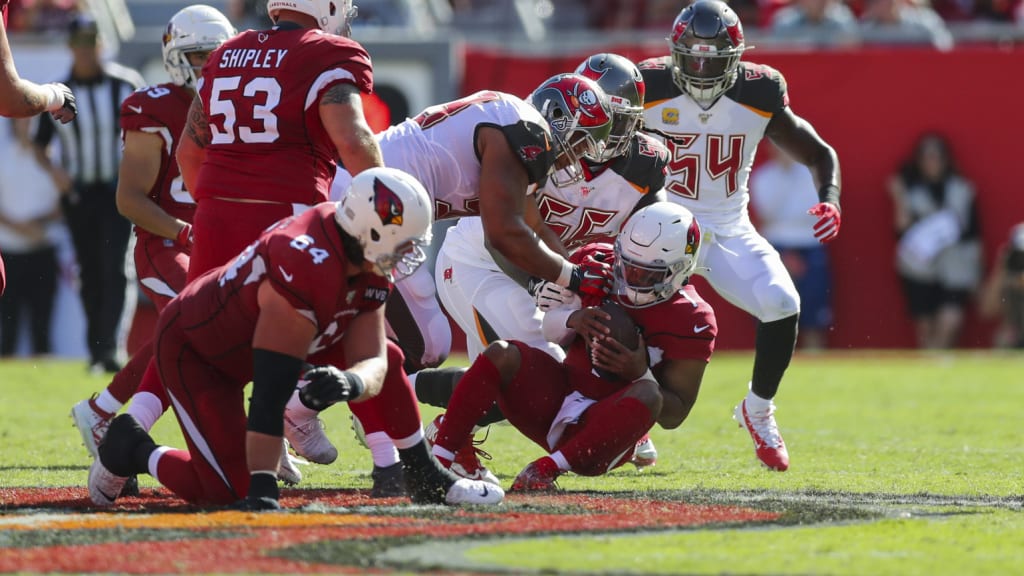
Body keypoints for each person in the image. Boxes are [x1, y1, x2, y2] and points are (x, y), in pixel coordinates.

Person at [93, 167, 504, 509]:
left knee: (393, 357)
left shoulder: (358, 250)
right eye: (404, 243)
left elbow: (375, 358)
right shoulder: (303, 263)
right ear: (372, 231)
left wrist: (352, 382)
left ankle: (424, 474)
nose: (409, 254)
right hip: (200, 351)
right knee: (224, 493)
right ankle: (131, 447)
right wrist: (262, 489)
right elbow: (271, 389)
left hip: (264, 337)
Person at [306, 73, 616, 484]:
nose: (576, 157)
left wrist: (577, 286)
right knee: (418, 340)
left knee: (412, 339)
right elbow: (504, 234)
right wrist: (573, 278)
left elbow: (533, 227)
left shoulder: (514, 122)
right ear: (558, 118)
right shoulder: (522, 129)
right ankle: (303, 408)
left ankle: (331, 409)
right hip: (368, 203)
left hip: (377, 206)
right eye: (579, 141)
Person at [419, 53, 668, 483]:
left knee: (543, 368)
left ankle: (601, 404)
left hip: (560, 271)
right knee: (532, 369)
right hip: (482, 261)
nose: (596, 133)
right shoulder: (533, 142)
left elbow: (651, 233)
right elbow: (503, 236)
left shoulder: (644, 165)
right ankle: (411, 411)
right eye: (591, 117)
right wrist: (539, 283)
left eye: (609, 119)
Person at [638, 0, 842, 472]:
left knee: (782, 303)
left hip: (728, 226)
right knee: (627, 315)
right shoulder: (647, 86)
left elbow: (818, 152)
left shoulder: (760, 90)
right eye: (693, 55)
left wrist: (831, 197)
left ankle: (757, 408)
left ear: (736, 57)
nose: (703, 68)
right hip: (660, 222)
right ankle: (631, 420)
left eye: (714, 57)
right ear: (674, 53)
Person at [430, 202, 716, 490]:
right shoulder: (596, 262)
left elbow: (675, 415)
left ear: (680, 269)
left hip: (603, 432)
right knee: (504, 353)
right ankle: (438, 459)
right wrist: (573, 320)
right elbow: (550, 331)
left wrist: (639, 371)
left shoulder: (692, 318)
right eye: (627, 266)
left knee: (648, 393)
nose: (631, 281)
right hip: (559, 397)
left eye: (647, 275)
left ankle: (544, 470)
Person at [69, 5, 239, 485]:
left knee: (207, 329)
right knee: (203, 322)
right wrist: (186, 233)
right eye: (199, 54)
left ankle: (103, 409)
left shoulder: (236, 100)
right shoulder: (153, 105)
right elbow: (129, 199)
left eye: (217, 54)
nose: (208, 64)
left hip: (218, 242)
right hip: (167, 243)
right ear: (174, 55)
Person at [175, 0, 381, 282]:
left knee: (211, 323)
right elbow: (352, 142)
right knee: (294, 322)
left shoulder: (224, 53)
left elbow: (188, 153)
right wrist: (387, 204)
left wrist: (214, 206)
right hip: (287, 219)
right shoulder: (328, 52)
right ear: (329, 7)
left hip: (214, 218)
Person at [31, 13, 145, 373]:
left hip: (116, 191)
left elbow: (146, 134)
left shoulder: (125, 85)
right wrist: (57, 175)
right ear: (70, 47)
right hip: (79, 194)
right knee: (90, 271)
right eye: (79, 44)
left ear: (100, 44)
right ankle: (96, 348)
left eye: (90, 43)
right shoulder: (59, 93)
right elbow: (40, 144)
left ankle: (109, 348)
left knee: (114, 269)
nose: (85, 51)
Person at [890, 132, 981, 349]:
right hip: (919, 268)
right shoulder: (911, 192)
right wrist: (898, 195)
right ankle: (931, 369)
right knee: (925, 326)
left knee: (950, 320)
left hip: (956, 265)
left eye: (936, 157)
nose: (932, 163)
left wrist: (979, 274)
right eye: (926, 157)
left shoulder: (962, 189)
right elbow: (901, 229)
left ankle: (940, 361)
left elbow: (975, 233)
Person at [750, 142, 833, 350]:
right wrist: (785, 176)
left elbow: (815, 209)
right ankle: (777, 363)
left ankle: (814, 358)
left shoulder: (811, 174)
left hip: (810, 243)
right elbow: (768, 212)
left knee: (813, 311)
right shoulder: (763, 177)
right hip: (776, 245)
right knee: (776, 310)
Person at [0, 117, 61, 355]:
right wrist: (20, 227)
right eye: (22, 121)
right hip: (8, 254)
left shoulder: (54, 158)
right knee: (8, 327)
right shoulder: (2, 157)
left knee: (42, 325)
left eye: (32, 121)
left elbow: (65, 201)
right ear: (13, 125)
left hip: (43, 251)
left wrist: (38, 223)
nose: (28, 126)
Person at [980, 223, 1024, 349]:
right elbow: (987, 310)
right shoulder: (1009, 275)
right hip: (1016, 333)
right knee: (1002, 338)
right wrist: (1001, 268)